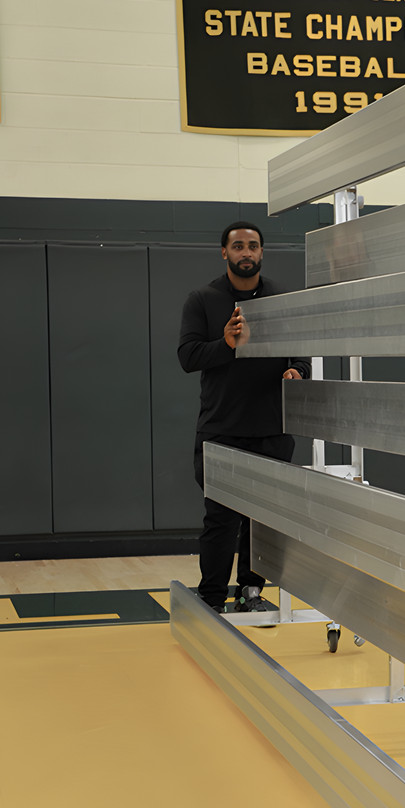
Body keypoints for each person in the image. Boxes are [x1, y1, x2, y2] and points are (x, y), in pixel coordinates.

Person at [177, 221, 310, 612]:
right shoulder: (201, 299)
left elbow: (300, 353)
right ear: (225, 253)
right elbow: (188, 357)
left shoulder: (281, 300)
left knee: (263, 519)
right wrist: (227, 344)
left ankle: (251, 592)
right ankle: (212, 598)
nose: (246, 253)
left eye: (253, 246)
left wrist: (297, 371)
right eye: (238, 246)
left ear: (262, 252)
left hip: (272, 428)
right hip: (221, 430)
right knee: (221, 520)